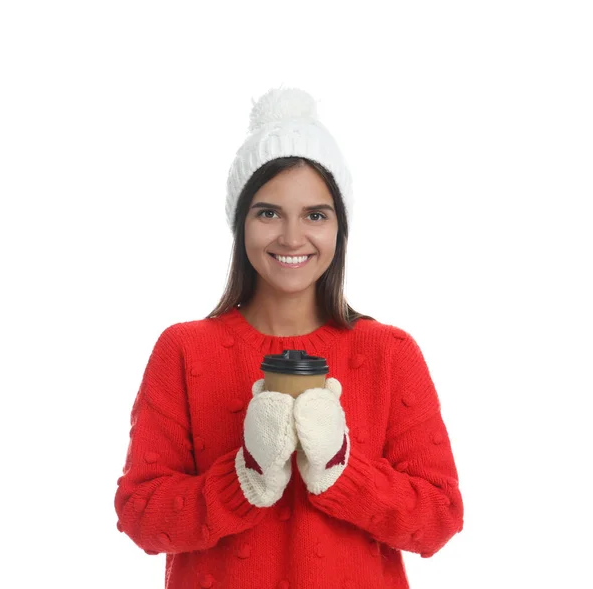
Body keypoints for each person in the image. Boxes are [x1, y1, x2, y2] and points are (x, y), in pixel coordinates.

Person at [114, 86, 464, 589]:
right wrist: (243, 477)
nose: (292, 237)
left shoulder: (390, 352)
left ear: (339, 228)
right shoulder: (185, 349)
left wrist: (343, 468)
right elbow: (140, 515)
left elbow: (440, 518)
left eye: (315, 215)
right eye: (268, 212)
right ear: (241, 223)